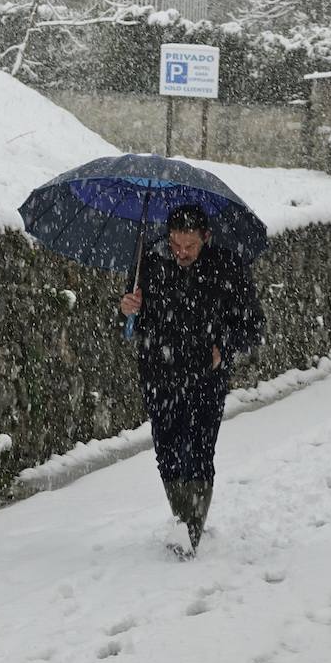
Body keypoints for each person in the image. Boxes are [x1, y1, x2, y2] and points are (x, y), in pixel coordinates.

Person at [119, 204, 264, 557]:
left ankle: (191, 530)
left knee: (199, 451)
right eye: (175, 244)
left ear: (206, 238)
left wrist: (222, 348)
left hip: (206, 377)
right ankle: (183, 518)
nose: (181, 253)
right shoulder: (149, 265)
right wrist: (127, 309)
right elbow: (126, 326)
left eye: (189, 246)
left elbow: (253, 326)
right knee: (168, 453)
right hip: (159, 375)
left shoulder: (227, 267)